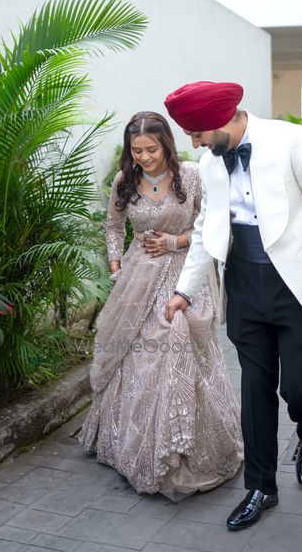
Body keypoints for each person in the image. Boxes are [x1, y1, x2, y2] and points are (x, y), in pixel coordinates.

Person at [164, 81, 302, 530]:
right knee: (254, 389)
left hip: (298, 285)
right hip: (243, 287)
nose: (194, 144)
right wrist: (184, 290)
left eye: (197, 133)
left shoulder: (293, 141)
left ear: (223, 119)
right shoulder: (210, 162)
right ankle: (261, 487)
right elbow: (206, 228)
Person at [78, 111, 243, 502]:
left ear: (166, 144)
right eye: (137, 150)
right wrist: (116, 264)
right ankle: (134, 445)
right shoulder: (125, 179)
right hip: (138, 277)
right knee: (137, 358)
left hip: (184, 276)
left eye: (151, 149)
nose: (144, 157)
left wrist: (174, 242)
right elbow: (114, 225)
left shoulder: (192, 175)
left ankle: (184, 448)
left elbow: (214, 224)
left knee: (177, 344)